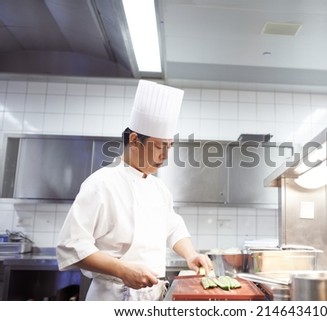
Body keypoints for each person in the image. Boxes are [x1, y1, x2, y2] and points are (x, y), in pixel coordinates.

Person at [56, 80, 212, 300]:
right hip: (112, 296)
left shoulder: (159, 189)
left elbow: (173, 228)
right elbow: (71, 245)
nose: (165, 155)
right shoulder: (101, 183)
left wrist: (191, 254)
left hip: (154, 296)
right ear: (134, 140)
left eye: (169, 147)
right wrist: (123, 270)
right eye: (159, 146)